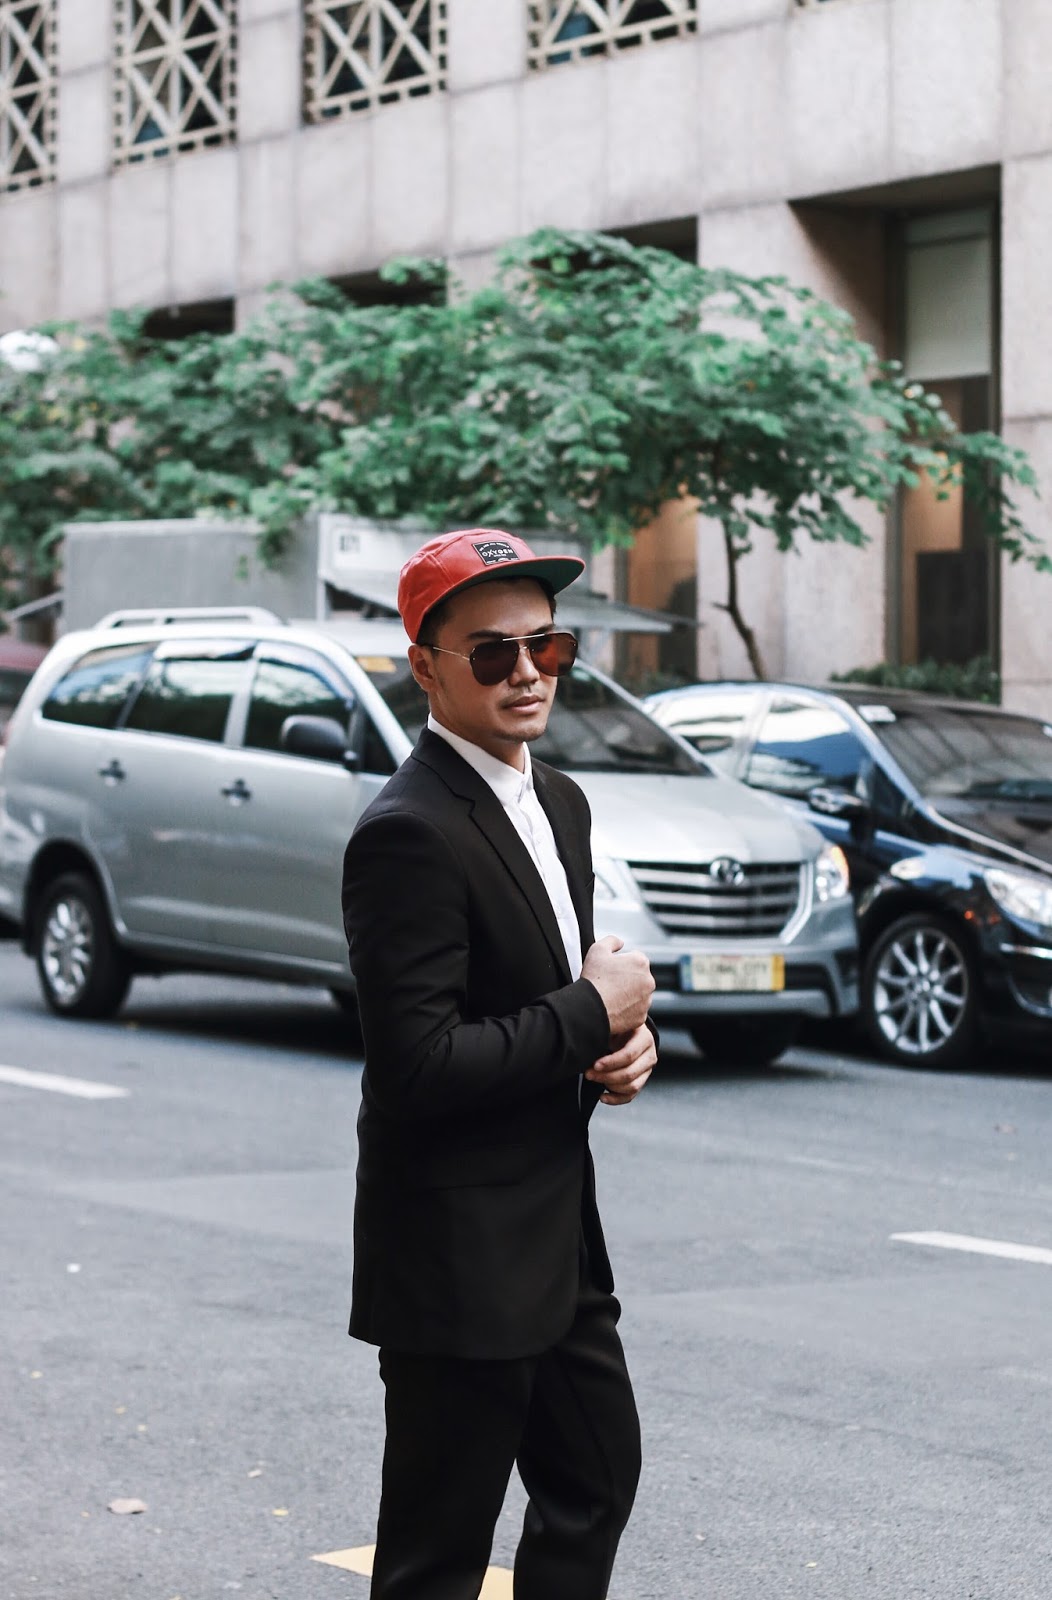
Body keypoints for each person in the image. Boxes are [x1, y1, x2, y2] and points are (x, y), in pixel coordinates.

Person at [341, 528, 657, 1600]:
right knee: (437, 1557)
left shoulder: (558, 799)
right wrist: (589, 1011)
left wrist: (619, 1045)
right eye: (492, 653)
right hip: (455, 1255)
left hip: (557, 1239)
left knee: (595, 1478)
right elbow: (417, 1067)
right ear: (425, 667)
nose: (527, 672)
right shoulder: (407, 832)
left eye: (547, 646)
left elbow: (550, 997)